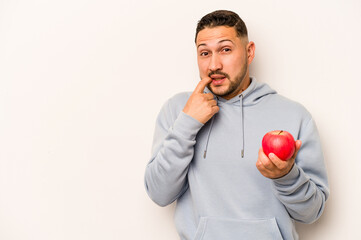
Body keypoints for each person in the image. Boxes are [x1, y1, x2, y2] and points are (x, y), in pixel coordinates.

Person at [144, 10, 329, 240]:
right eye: (204, 53)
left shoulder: (293, 116)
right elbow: (159, 193)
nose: (214, 64)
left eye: (226, 49)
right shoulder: (178, 110)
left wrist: (286, 175)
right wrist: (187, 124)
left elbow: (312, 213)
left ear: (249, 52)